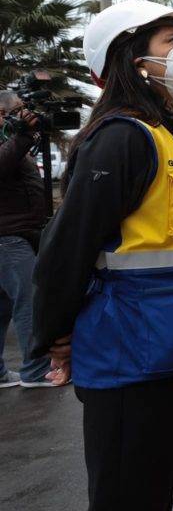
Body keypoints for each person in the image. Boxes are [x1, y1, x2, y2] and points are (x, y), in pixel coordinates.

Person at [31, 0, 173, 510]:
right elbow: (67, 248)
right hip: (127, 354)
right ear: (132, 60)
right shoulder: (120, 138)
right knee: (127, 493)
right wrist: (56, 335)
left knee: (158, 486)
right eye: (170, 42)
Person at [0, 92, 63, 389]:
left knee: (3, 308)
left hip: (15, 236)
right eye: (19, 110)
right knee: (29, 302)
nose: (25, 116)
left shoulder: (11, 140)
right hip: (9, 239)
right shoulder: (12, 142)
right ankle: (36, 370)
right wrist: (24, 136)